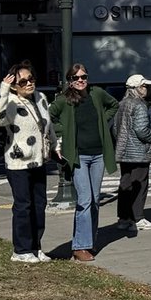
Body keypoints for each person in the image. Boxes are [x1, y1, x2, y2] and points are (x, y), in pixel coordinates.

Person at [49, 64, 119, 263]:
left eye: (83, 77)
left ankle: (90, 241)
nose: (80, 80)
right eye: (75, 78)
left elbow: (114, 104)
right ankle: (79, 246)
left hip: (98, 155)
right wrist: (63, 132)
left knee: (94, 200)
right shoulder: (64, 101)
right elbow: (49, 117)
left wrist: (102, 121)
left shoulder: (97, 94)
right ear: (69, 81)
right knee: (85, 200)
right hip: (79, 157)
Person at [0, 61, 56, 263]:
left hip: (39, 161)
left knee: (39, 204)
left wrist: (55, 146)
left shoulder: (41, 98)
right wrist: (3, 89)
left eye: (31, 79)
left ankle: (35, 247)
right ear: (14, 85)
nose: (29, 83)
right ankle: (20, 250)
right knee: (23, 206)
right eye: (23, 81)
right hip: (18, 163)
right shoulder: (10, 102)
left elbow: (48, 126)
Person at [113, 74, 151, 231]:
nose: (146, 89)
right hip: (139, 151)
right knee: (140, 184)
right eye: (143, 86)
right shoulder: (139, 105)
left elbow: (115, 129)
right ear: (135, 89)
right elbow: (142, 130)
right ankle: (138, 217)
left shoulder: (122, 104)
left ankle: (124, 218)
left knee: (125, 183)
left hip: (124, 150)